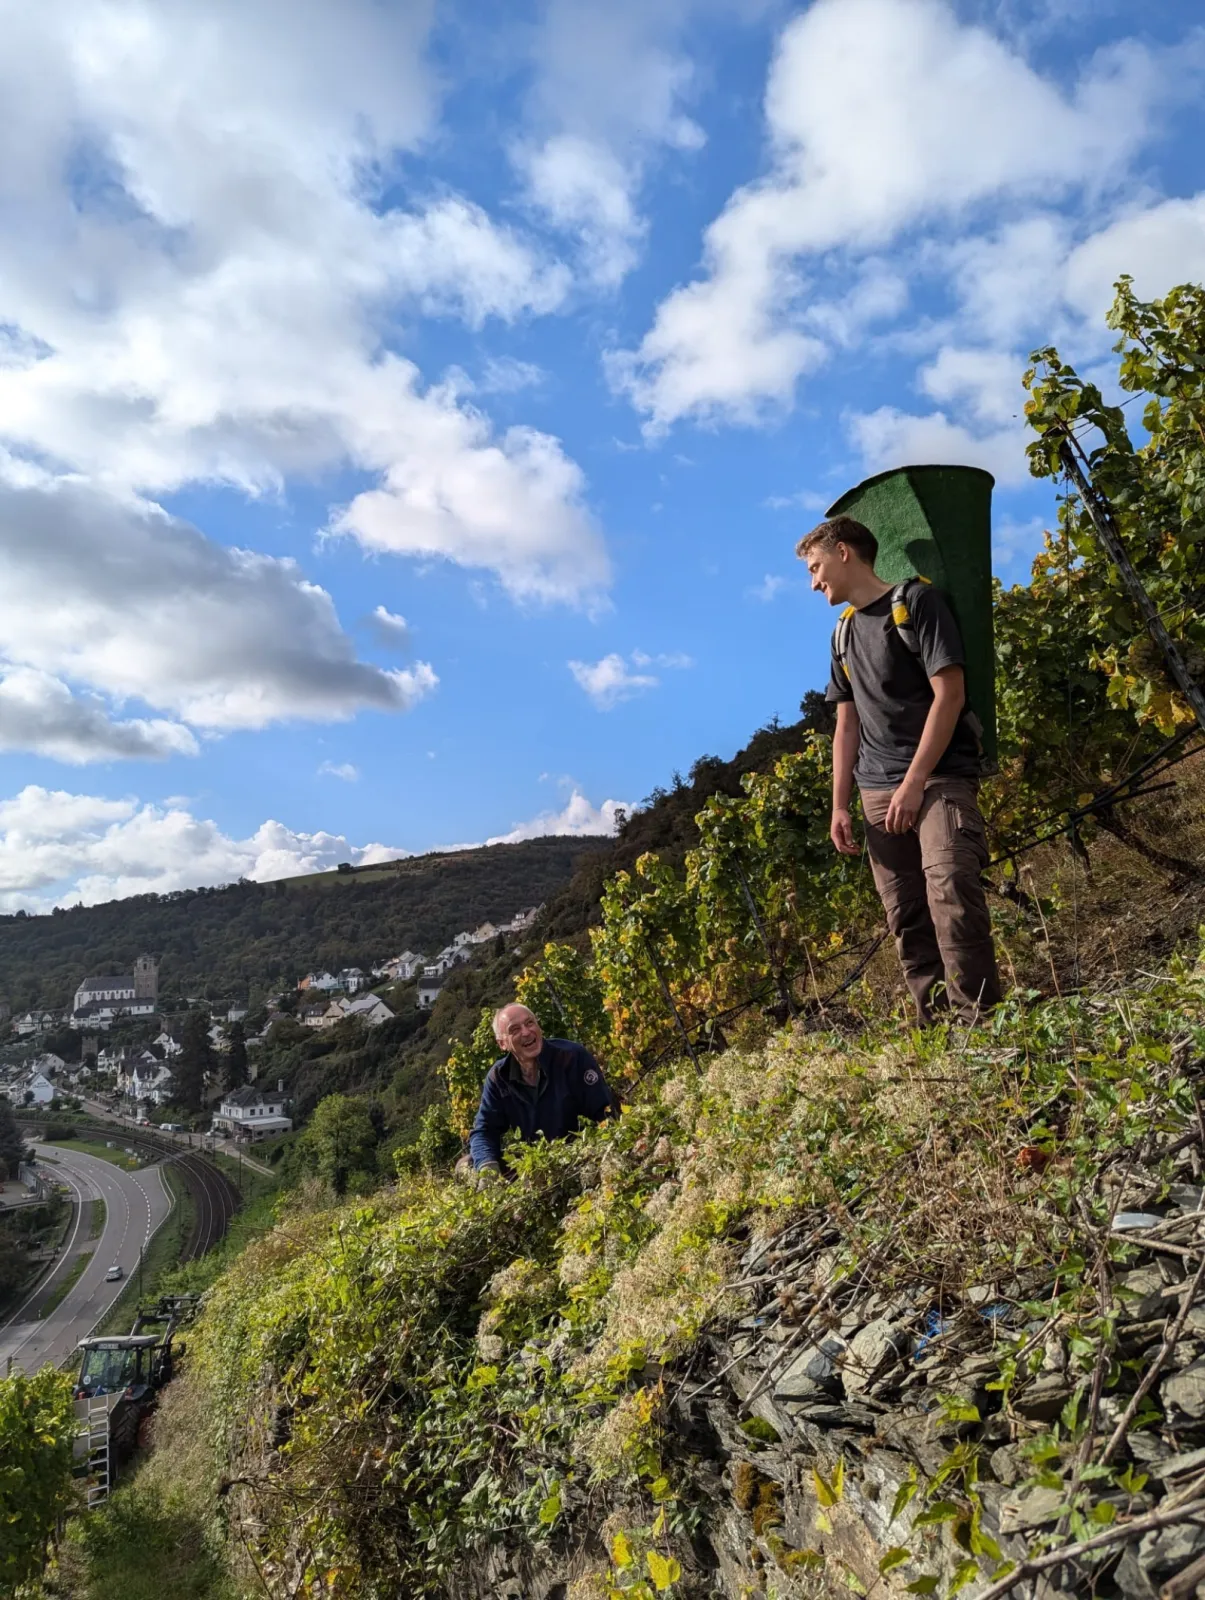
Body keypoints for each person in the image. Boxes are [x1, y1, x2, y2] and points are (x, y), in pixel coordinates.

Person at [798, 514, 1002, 1025]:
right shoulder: (842, 635)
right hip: (874, 791)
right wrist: (839, 806)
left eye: (815, 567)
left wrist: (913, 784)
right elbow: (846, 725)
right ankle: (938, 1030)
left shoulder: (917, 603)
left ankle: (980, 1025)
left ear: (844, 552)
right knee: (906, 914)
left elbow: (949, 695)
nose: (813, 582)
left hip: (939, 778)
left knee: (951, 889)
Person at [468, 1003, 613, 1176]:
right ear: (502, 1044)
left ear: (539, 1026)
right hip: (536, 1166)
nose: (526, 1032)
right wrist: (487, 1168)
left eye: (530, 1023)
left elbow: (605, 1111)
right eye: (514, 1029)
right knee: (469, 1163)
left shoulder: (572, 1057)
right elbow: (484, 1130)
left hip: (582, 1155)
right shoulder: (499, 1077)